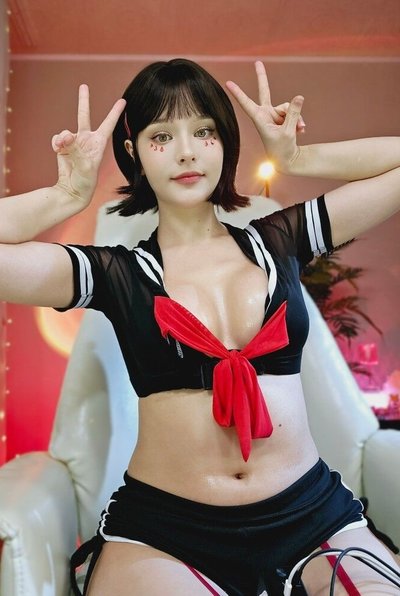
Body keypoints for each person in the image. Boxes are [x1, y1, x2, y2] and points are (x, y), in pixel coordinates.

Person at [1, 58, 400, 596]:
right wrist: (66, 194)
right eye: (161, 136)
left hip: (311, 514)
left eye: (204, 131)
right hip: (167, 533)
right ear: (134, 153)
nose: (187, 151)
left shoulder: (280, 242)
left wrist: (300, 157)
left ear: (224, 142)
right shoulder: (117, 274)